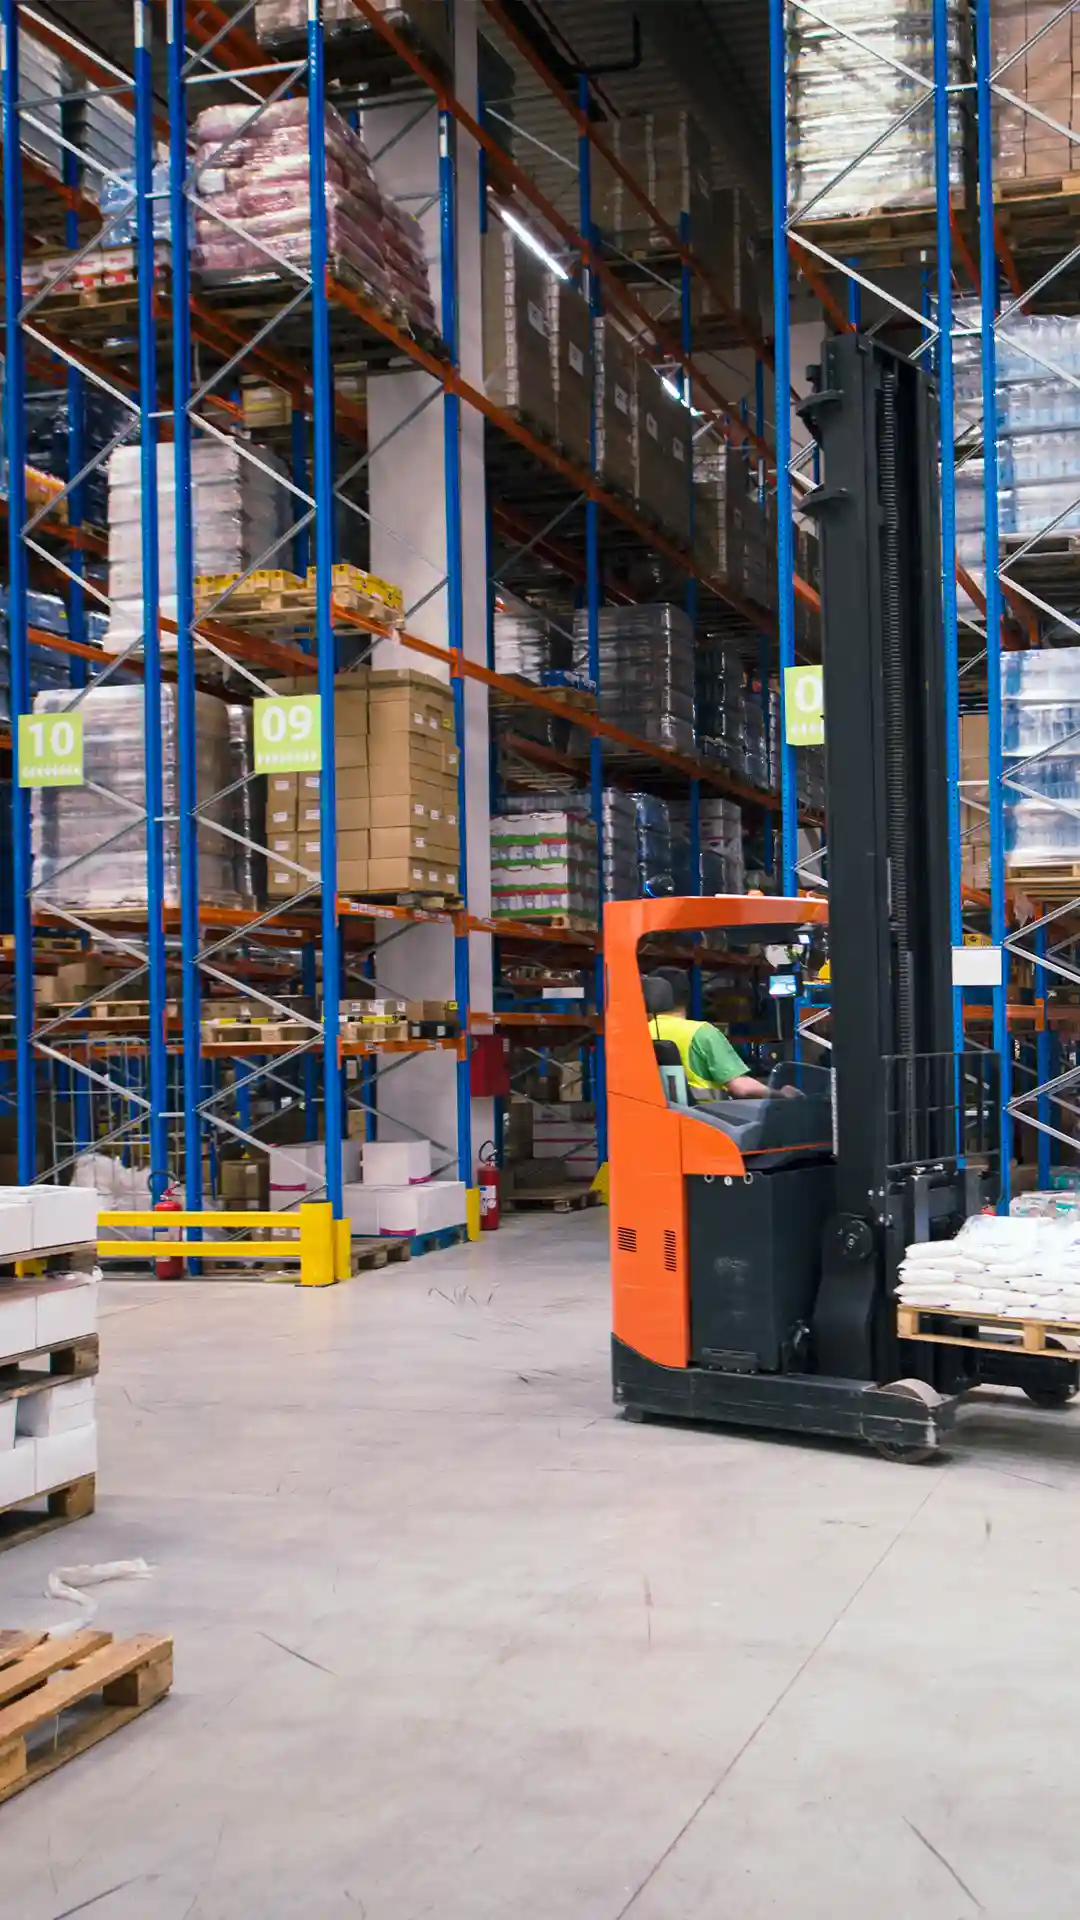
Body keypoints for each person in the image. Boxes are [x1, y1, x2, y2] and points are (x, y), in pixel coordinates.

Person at [649, 967, 798, 1100]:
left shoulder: (635, 1032)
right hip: (705, 1119)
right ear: (688, 997)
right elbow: (742, 1088)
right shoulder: (701, 1032)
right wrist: (781, 1094)